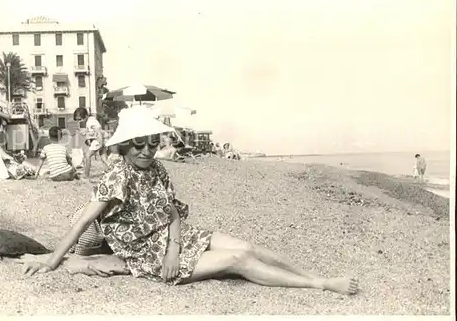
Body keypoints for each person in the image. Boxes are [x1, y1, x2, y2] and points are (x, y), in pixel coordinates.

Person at [23, 108, 359, 295]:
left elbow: (171, 212)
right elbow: (82, 222)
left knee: (249, 246)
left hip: (170, 243)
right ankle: (320, 284)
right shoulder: (116, 176)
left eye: (151, 144)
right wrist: (52, 263)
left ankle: (316, 274)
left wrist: (174, 246)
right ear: (124, 146)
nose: (145, 151)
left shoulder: (156, 168)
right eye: (138, 145)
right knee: (239, 258)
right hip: (147, 256)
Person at [73, 107, 109, 178]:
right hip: (104, 138)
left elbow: (98, 132)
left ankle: (86, 174)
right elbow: (92, 132)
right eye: (77, 120)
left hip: (99, 139)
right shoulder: (91, 120)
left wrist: (100, 143)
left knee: (87, 156)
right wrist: (86, 133)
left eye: (80, 119)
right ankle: (112, 168)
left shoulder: (90, 122)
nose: (79, 121)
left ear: (86, 116)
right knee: (103, 157)